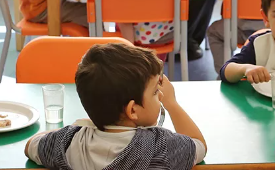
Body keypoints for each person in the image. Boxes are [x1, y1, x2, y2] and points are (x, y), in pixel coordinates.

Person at [24, 43, 207, 169]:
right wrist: (172, 104)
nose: (160, 95)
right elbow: (199, 145)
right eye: (154, 92)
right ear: (132, 110)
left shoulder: (66, 143)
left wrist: (83, 124)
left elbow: (30, 145)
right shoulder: (163, 146)